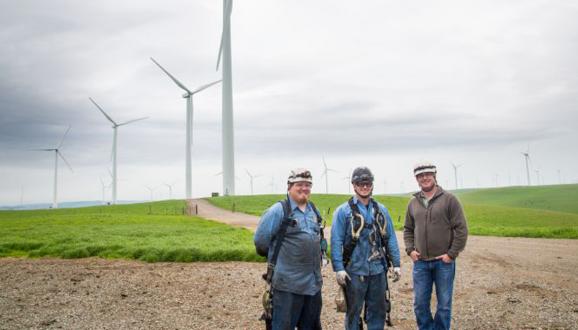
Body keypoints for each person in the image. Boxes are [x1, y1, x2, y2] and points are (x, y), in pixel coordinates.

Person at [331, 166, 401, 330]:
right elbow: (336, 241)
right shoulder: (343, 211)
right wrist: (338, 268)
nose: (364, 186)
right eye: (360, 183)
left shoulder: (381, 210)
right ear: (354, 185)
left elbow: (390, 237)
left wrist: (396, 264)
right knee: (353, 312)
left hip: (378, 270)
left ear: (372, 185)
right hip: (354, 272)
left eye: (367, 183)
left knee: (378, 312)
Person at [254, 168, 325, 330]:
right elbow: (260, 242)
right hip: (287, 286)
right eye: (299, 184)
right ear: (289, 187)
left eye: (308, 185)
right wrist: (278, 260)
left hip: (313, 284)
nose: (304, 188)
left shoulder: (313, 210)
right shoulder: (278, 210)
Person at [404, 162, 468, 330]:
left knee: (444, 305)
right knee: (419, 304)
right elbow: (408, 229)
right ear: (417, 179)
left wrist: (451, 254)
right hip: (421, 263)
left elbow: (461, 229)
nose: (424, 178)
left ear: (434, 176)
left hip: (443, 262)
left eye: (427, 174)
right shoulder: (413, 203)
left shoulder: (449, 199)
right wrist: (410, 250)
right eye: (420, 176)